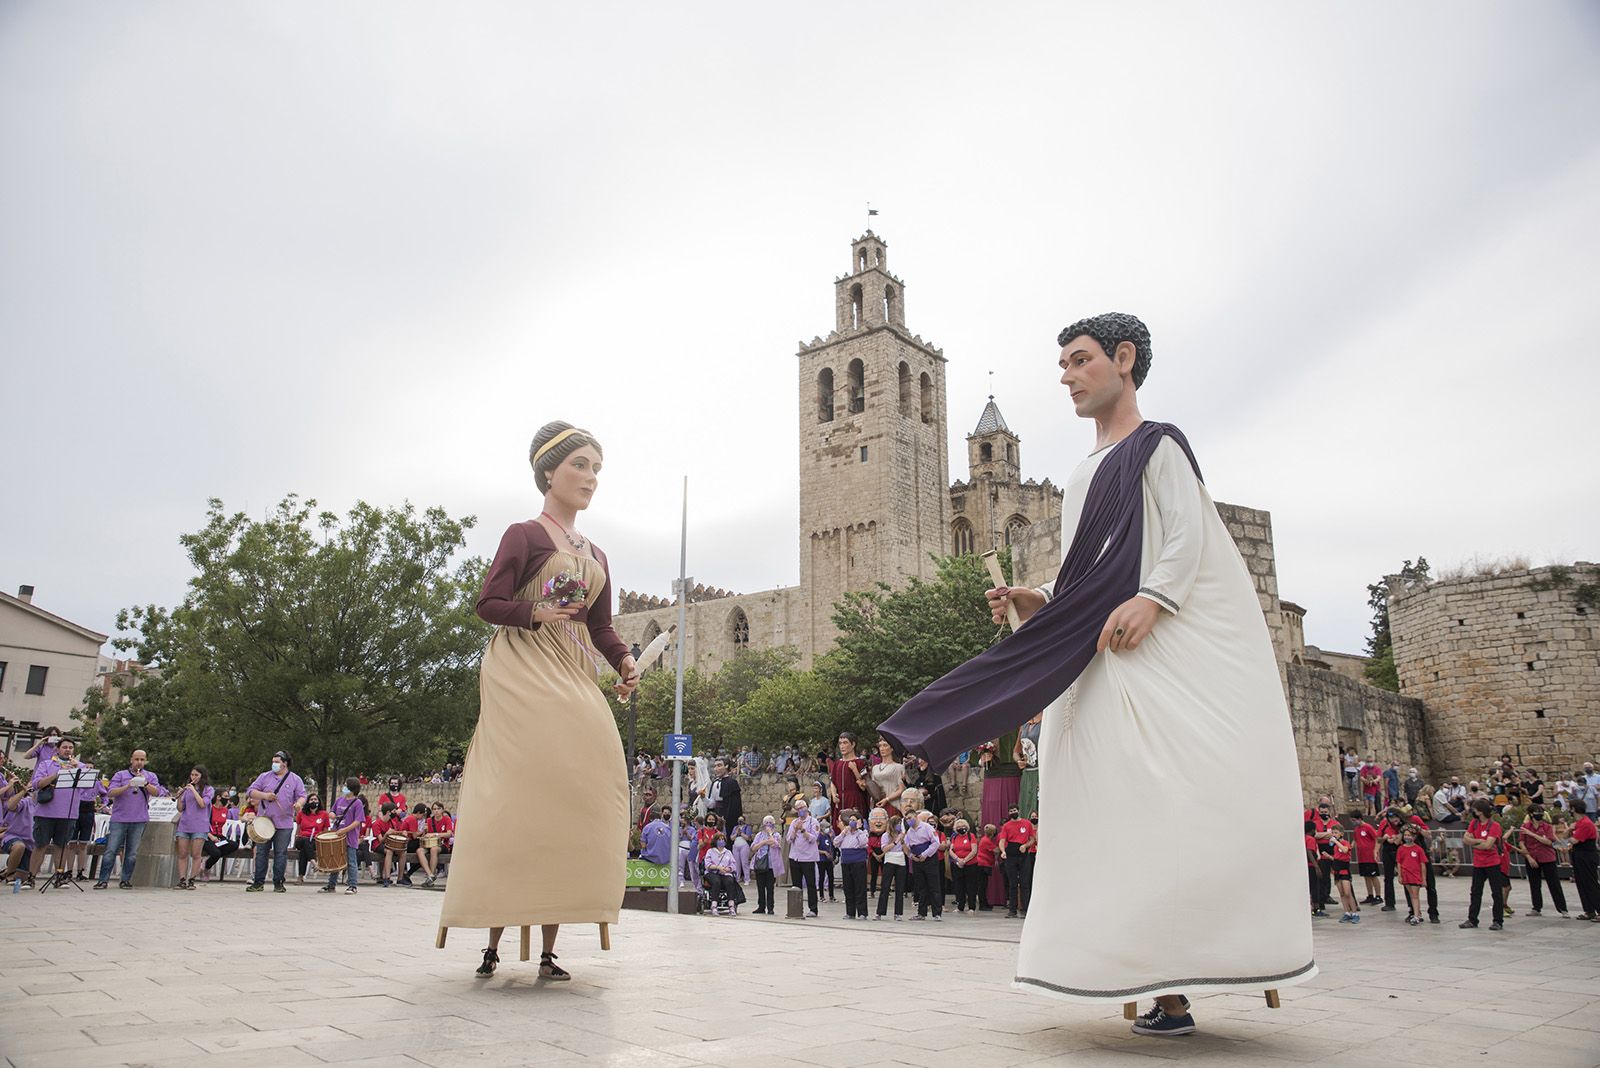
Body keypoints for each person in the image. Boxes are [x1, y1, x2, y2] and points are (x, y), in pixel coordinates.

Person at [878, 314, 1315, 1036]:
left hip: (1152, 658)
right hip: (1099, 659)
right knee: (1105, 816)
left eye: (1079, 360)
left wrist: (1155, 597)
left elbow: (1186, 537)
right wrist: (1037, 599)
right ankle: (1119, 962)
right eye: (1062, 364)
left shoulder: (1158, 447)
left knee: (1162, 809)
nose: (1066, 375)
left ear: (1124, 359)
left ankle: (1176, 981)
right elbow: (1084, 574)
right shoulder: (1082, 475)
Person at [438, 422, 640, 981]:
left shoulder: (596, 551)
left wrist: (623, 660)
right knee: (519, 797)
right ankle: (492, 940)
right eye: (580, 465)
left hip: (573, 669)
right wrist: (535, 613)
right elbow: (488, 602)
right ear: (549, 472)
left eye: (597, 468)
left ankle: (553, 943)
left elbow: (601, 627)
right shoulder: (524, 535)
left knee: (579, 791)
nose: (590, 478)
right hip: (522, 665)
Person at [28, 738, 89, 887]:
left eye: (70, 748)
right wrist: (57, 774)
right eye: (64, 747)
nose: (67, 750)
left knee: (62, 846)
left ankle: (59, 876)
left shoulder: (80, 766)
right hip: (46, 813)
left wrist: (78, 769)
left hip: (68, 813)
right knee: (40, 845)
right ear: (57, 749)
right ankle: (31, 877)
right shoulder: (47, 764)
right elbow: (37, 784)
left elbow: (89, 785)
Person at [95, 749, 160, 889]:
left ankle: (125, 880)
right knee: (111, 850)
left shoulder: (150, 775)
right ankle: (103, 880)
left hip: (139, 819)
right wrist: (128, 785)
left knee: (131, 853)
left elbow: (157, 792)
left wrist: (145, 783)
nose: (139, 762)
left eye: (142, 760)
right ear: (131, 760)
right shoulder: (121, 774)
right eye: (136, 759)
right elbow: (111, 793)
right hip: (119, 818)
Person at [244, 750, 307, 893]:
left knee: (281, 853)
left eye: (277, 762)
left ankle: (278, 882)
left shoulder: (295, 779)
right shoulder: (264, 776)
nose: (274, 764)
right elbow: (251, 791)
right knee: (261, 852)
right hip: (265, 821)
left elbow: (302, 795)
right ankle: (258, 881)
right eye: (273, 762)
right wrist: (265, 795)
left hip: (284, 822)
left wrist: (299, 804)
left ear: (285, 763)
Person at [1461, 798, 1507, 930]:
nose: (1473, 812)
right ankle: (1472, 919)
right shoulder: (1474, 823)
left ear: (1480, 811)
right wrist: (1479, 841)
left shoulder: (1494, 826)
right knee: (1475, 892)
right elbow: (1465, 839)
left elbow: (1488, 845)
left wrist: (1474, 842)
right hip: (1478, 863)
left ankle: (1498, 920)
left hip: (1492, 862)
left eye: (1475, 810)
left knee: (1496, 892)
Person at [1519, 802, 1567, 917]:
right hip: (1532, 857)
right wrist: (1529, 857)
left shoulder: (1547, 827)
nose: (1539, 815)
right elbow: (1521, 842)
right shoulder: (1525, 827)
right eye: (1536, 813)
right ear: (1531, 814)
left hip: (1547, 857)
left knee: (1554, 883)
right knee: (1534, 884)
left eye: (1541, 813)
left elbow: (1549, 842)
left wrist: (1533, 834)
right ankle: (1536, 907)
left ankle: (1562, 908)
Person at [320, 778, 367, 894]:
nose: (344, 787)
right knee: (335, 858)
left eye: (346, 786)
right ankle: (331, 884)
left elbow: (357, 821)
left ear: (352, 789)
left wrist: (345, 830)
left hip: (350, 836)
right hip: (337, 833)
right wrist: (332, 814)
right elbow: (333, 811)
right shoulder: (340, 800)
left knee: (351, 861)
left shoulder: (357, 803)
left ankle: (352, 884)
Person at [174, 766, 215, 890]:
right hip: (185, 824)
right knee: (182, 853)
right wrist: (180, 797)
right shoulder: (187, 790)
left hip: (200, 825)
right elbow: (180, 808)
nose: (193, 777)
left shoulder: (209, 789)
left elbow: (202, 804)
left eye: (196, 775)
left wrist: (193, 791)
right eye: (192, 775)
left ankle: (192, 879)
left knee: (196, 854)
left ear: (202, 776)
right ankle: (182, 879)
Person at [904, 810, 944, 921]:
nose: (909, 820)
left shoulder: (927, 827)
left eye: (910, 817)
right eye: (907, 819)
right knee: (921, 887)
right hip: (917, 860)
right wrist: (911, 856)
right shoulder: (909, 832)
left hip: (929, 859)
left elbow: (936, 842)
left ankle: (937, 913)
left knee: (934, 886)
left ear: (916, 817)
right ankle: (921, 913)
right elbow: (906, 846)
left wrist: (925, 854)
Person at [997, 805, 1035, 918]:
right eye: (1011, 811)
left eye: (1015, 810)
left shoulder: (1027, 823)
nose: (1013, 812)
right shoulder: (1006, 826)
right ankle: (1012, 910)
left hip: (1023, 854)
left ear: (1018, 810)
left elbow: (1032, 839)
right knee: (1012, 883)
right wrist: (1003, 851)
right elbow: (1002, 841)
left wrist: (1026, 845)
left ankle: (1026, 909)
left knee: (1024, 883)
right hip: (1011, 854)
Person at [786, 798, 820, 918]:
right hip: (795, 857)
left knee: (811, 884)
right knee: (796, 885)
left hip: (808, 858)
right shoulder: (794, 822)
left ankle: (813, 909)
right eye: (798, 808)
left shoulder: (813, 822)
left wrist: (803, 830)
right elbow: (789, 839)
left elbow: (813, 838)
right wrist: (795, 830)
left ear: (806, 808)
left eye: (802, 807)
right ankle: (796, 908)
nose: (801, 810)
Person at [1, 771, 36, 886]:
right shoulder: (26, 802)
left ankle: (6, 872)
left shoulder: (45, 806)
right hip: (14, 837)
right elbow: (11, 806)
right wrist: (23, 791)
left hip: (31, 844)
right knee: (19, 846)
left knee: (21, 878)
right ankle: (9, 873)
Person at [1568, 800, 1600, 921]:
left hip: (1587, 856)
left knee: (1590, 883)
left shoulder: (1585, 823)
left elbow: (1574, 840)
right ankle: (1589, 910)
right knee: (1581, 883)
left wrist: (1569, 832)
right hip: (1579, 855)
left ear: (1574, 809)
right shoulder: (1578, 823)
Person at [1321, 826, 1359, 924]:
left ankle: (1354, 913)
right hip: (1336, 870)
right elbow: (1337, 858)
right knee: (1342, 893)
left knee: (1347, 893)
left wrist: (1337, 842)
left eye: (1336, 833)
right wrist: (1329, 856)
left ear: (1341, 834)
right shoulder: (1335, 847)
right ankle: (1347, 912)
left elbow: (1345, 850)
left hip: (1344, 871)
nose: (1334, 835)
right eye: (1333, 833)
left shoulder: (1344, 843)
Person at [836, 811, 870, 919]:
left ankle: (862, 912)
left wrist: (858, 830)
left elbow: (862, 843)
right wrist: (843, 832)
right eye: (850, 820)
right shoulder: (846, 833)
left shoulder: (863, 833)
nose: (852, 822)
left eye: (854, 820)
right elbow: (836, 843)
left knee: (859, 887)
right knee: (848, 887)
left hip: (858, 862)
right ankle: (850, 912)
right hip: (846, 862)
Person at [293, 790, 331, 885]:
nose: (313, 801)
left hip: (315, 840)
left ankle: (300, 877)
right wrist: (294, 843)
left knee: (303, 852)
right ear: (307, 802)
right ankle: (314, 863)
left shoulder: (324, 814)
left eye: (315, 799)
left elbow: (326, 831)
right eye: (311, 799)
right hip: (301, 839)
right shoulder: (302, 814)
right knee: (305, 841)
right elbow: (298, 829)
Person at [875, 815, 908, 920]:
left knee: (900, 888)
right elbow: (885, 849)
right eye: (897, 823)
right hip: (890, 860)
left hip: (900, 861)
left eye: (900, 823)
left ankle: (898, 913)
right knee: (885, 887)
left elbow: (907, 851)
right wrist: (895, 841)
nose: (899, 826)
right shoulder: (886, 835)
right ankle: (880, 912)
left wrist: (902, 841)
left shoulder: (903, 836)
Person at [750, 816, 784, 915]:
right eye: (766, 823)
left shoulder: (776, 835)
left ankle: (770, 907)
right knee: (760, 886)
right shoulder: (759, 835)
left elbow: (775, 844)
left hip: (771, 865)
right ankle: (761, 906)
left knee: (770, 887)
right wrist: (764, 842)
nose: (768, 824)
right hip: (761, 863)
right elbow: (753, 847)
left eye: (770, 822)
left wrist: (770, 834)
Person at [701, 833, 742, 915]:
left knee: (730, 881)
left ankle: (731, 905)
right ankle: (714, 905)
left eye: (723, 839)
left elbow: (733, 864)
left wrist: (728, 869)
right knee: (716, 881)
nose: (721, 841)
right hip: (712, 872)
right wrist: (718, 867)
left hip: (725, 873)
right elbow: (707, 865)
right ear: (715, 841)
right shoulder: (710, 851)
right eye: (719, 839)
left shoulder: (728, 852)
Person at [1396, 827, 1429, 926]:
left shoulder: (1418, 849)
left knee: (1415, 896)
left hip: (1415, 875)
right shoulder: (1401, 848)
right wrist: (1400, 875)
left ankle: (1416, 916)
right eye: (1405, 835)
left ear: (1414, 837)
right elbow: (1399, 863)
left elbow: (1423, 864)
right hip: (1406, 875)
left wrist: (1424, 878)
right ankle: (1417, 913)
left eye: (1409, 835)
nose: (1407, 837)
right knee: (1411, 895)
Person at [416, 802, 454, 886]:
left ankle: (431, 878)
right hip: (430, 844)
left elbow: (449, 834)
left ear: (442, 810)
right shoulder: (429, 820)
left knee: (434, 849)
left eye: (438, 809)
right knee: (419, 851)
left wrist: (435, 834)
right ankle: (430, 875)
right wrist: (424, 832)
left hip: (442, 845)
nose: (436, 811)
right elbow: (426, 835)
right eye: (434, 809)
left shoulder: (446, 819)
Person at [869, 739, 906, 815]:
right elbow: (873, 786)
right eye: (880, 746)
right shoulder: (875, 768)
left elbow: (901, 789)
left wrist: (887, 799)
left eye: (885, 745)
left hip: (893, 804)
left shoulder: (898, 767)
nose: (882, 748)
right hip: (878, 803)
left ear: (892, 748)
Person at [709, 758, 743, 836]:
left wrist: (725, 818)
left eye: (719, 765)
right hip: (715, 815)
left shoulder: (732, 783)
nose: (716, 769)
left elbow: (735, 806)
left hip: (728, 817)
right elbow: (712, 803)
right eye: (715, 766)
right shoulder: (714, 783)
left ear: (726, 766)